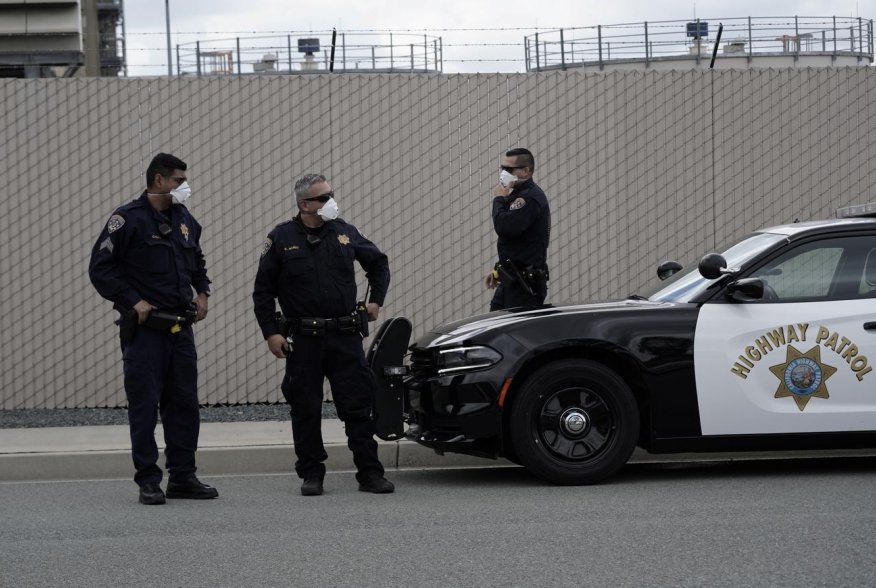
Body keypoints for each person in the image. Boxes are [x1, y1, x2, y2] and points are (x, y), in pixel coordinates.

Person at [88, 153, 218, 506]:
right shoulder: (127, 219)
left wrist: (203, 292)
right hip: (146, 331)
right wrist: (132, 300)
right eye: (178, 180)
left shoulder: (184, 219)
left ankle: (183, 476)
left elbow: (197, 261)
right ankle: (148, 480)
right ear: (158, 181)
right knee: (145, 406)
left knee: (184, 404)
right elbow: (101, 268)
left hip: (181, 329)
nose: (184, 186)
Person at [252, 173, 394, 496]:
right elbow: (263, 291)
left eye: (331, 194)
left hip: (345, 336)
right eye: (323, 197)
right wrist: (270, 334)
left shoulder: (345, 232)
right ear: (304, 204)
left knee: (357, 404)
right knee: (305, 407)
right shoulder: (281, 238)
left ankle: (369, 473)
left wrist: (375, 301)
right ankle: (312, 473)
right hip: (304, 340)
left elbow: (379, 263)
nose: (331, 201)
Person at [484, 147, 551, 310]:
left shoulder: (529, 198)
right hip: (510, 281)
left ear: (526, 171)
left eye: (509, 169)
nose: (504, 173)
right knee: (494, 329)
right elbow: (515, 243)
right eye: (503, 168)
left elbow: (505, 227)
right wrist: (499, 271)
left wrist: (499, 198)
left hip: (523, 288)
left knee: (514, 334)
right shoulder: (517, 195)